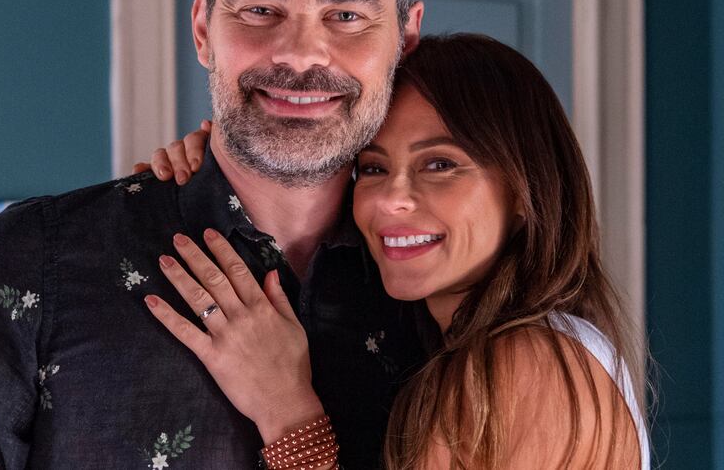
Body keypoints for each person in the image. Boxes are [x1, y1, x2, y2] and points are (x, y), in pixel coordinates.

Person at [0, 0, 427, 468]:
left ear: (404, 39)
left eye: (346, 15)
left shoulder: (446, 302)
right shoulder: (22, 266)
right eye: (259, 9)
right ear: (202, 28)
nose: (299, 54)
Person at [145, 35, 650, 468]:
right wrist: (227, 168)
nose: (391, 199)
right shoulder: (488, 344)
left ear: (525, 191)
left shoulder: (526, 364)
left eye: (440, 164)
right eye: (373, 168)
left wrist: (285, 409)